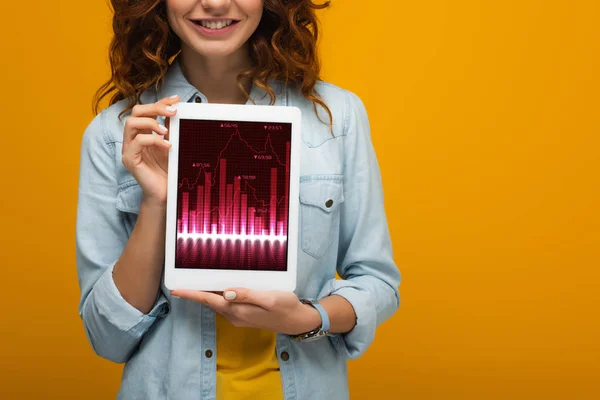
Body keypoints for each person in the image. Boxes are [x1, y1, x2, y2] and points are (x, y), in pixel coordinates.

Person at [75, 0, 401, 399]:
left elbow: (377, 281)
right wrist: (157, 202)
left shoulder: (337, 116)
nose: (213, 3)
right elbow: (107, 339)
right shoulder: (115, 133)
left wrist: (305, 319)